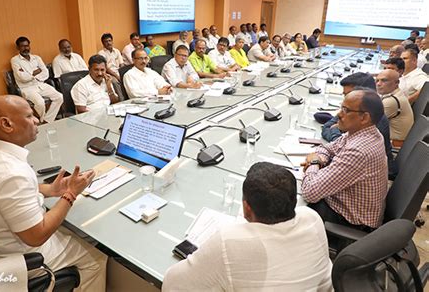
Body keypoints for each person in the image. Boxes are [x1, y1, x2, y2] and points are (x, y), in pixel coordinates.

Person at [0, 95, 107, 290]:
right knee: (96, 259)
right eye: (29, 116)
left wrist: (52, 190)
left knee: (76, 230)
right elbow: (36, 236)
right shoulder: (11, 173)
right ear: (7, 124)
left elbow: (3, 196)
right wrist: (71, 194)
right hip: (17, 259)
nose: (37, 121)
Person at [163, 162, 332, 291]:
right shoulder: (312, 218)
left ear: (246, 207)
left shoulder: (230, 243)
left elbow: (171, 284)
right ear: (294, 200)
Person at [302, 89, 388, 230]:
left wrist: (314, 162)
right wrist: (319, 158)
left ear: (364, 118)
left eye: (346, 110)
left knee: (287, 207)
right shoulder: (362, 133)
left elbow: (310, 192)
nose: (339, 114)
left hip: (350, 223)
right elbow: (327, 148)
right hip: (344, 206)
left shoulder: (359, 151)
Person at [321, 72, 396, 177]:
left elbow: (311, 190)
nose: (346, 99)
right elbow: (328, 126)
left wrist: (314, 162)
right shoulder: (355, 110)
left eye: (349, 95)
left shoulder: (373, 121)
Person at [10, 36, 63, 124]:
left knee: (59, 97)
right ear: (18, 48)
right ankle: (43, 121)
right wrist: (35, 72)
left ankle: (46, 121)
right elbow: (22, 78)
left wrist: (31, 75)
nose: (25, 48)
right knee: (40, 103)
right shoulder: (15, 60)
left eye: (27, 46)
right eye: (22, 46)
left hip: (40, 84)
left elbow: (45, 73)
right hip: (26, 88)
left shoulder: (37, 58)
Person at [375, 69, 414, 146]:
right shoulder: (398, 93)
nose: (379, 84)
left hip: (394, 146)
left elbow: (367, 124)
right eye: (377, 81)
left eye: (384, 80)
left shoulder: (391, 101)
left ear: (396, 83)